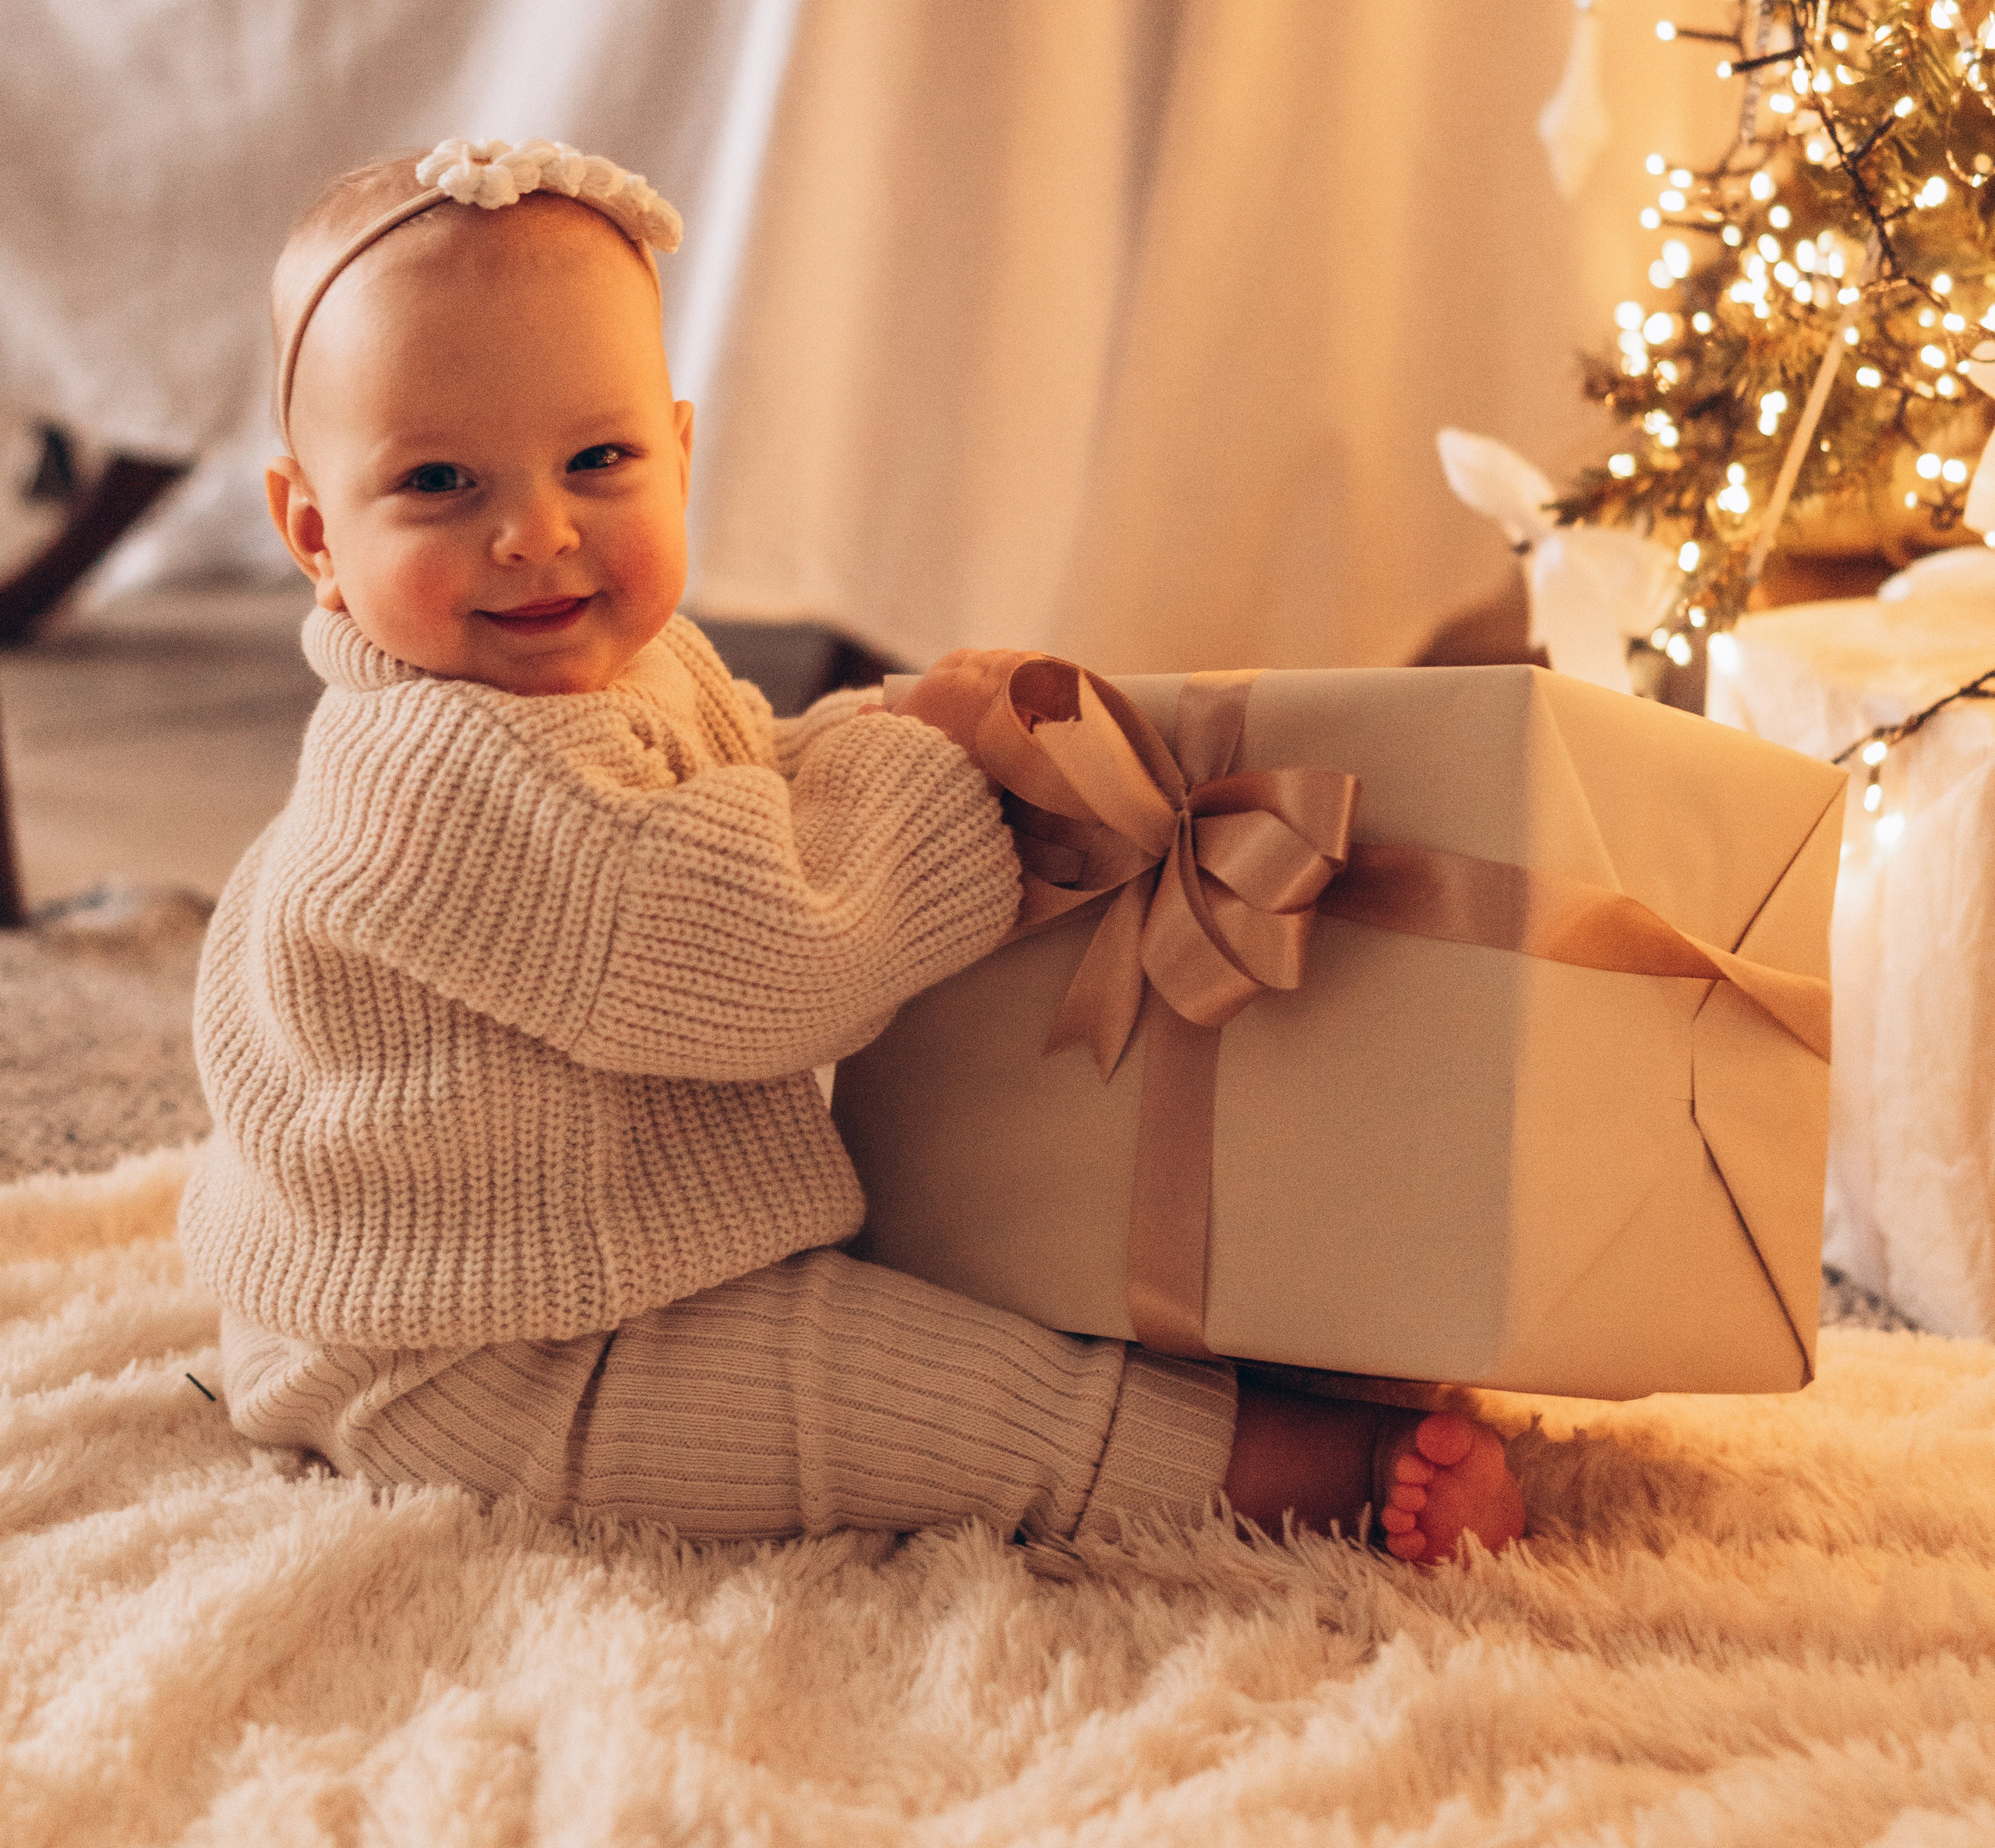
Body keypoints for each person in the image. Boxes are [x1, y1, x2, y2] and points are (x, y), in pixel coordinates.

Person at [180, 139, 1525, 1565]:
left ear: (679, 456)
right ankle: (1308, 1471)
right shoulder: (428, 779)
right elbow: (767, 953)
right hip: (469, 1346)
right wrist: (943, 764)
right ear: (315, 532)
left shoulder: (607, 668)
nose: (539, 532)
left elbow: (753, 774)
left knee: (979, 1247)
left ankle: (1266, 1357)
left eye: (600, 460)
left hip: (591, 1245)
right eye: (443, 482)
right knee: (913, 1393)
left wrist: (890, 720)